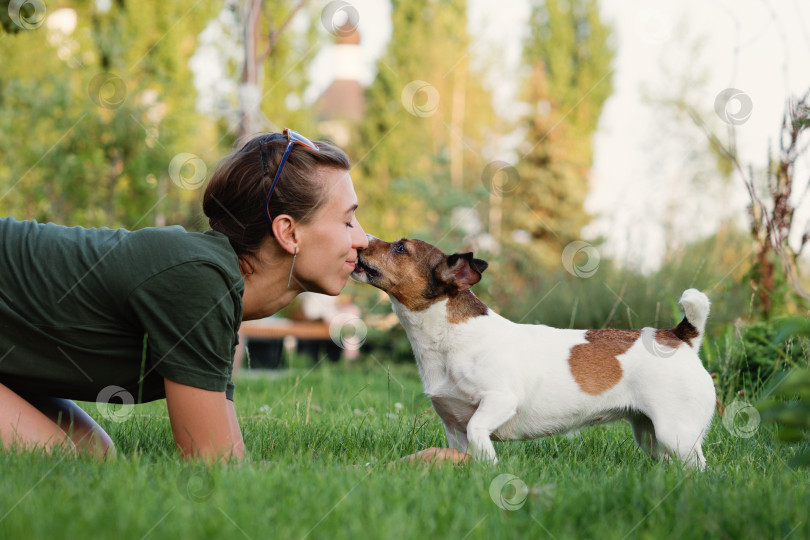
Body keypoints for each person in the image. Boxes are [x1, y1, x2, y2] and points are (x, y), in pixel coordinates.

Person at [0, 129, 467, 466]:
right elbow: (216, 468)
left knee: (90, 458)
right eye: (348, 220)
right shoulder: (199, 281)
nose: (364, 239)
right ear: (288, 232)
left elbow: (231, 456)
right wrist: (394, 470)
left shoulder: (218, 290)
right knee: (67, 463)